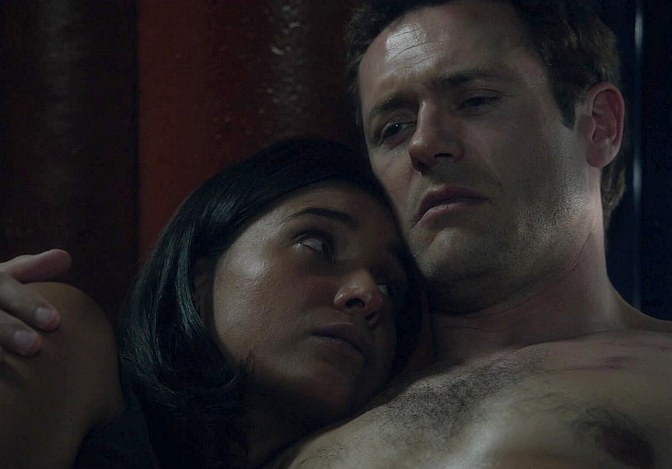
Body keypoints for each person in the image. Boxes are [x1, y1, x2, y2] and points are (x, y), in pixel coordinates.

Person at [4, 0, 672, 467]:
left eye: (474, 100)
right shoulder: (299, 401)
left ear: (599, 125)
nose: (426, 143)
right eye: (392, 126)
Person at [0, 137, 423, 469]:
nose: (368, 294)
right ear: (200, 275)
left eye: (390, 287)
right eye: (317, 244)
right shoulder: (59, 338)